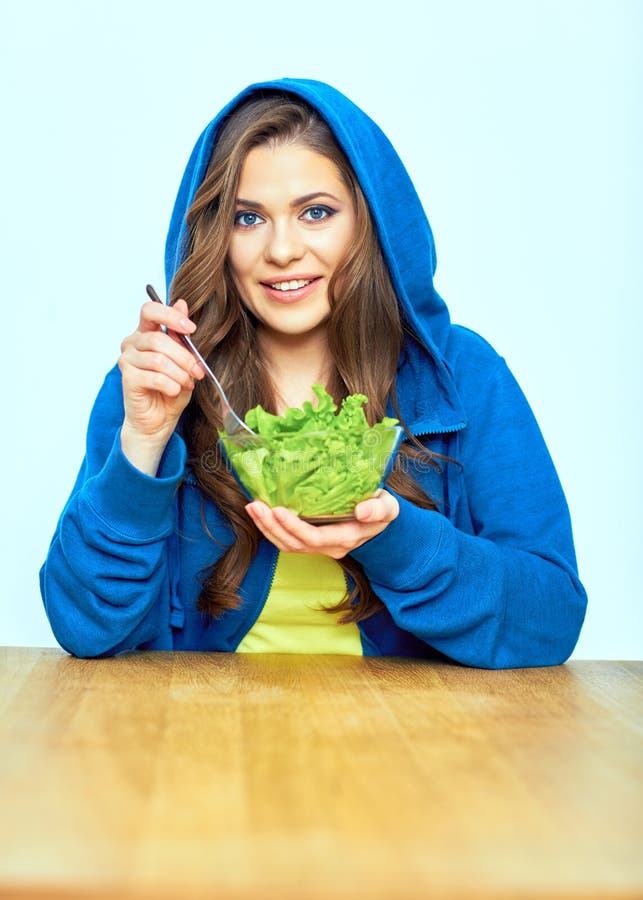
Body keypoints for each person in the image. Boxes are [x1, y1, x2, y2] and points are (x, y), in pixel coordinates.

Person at [40, 78, 587, 665]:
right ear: (215, 238)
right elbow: (85, 627)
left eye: (316, 213)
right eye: (248, 219)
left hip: (415, 742)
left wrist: (395, 542)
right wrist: (143, 444)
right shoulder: (159, 381)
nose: (281, 250)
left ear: (368, 223)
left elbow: (551, 620)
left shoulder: (464, 375)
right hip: (204, 739)